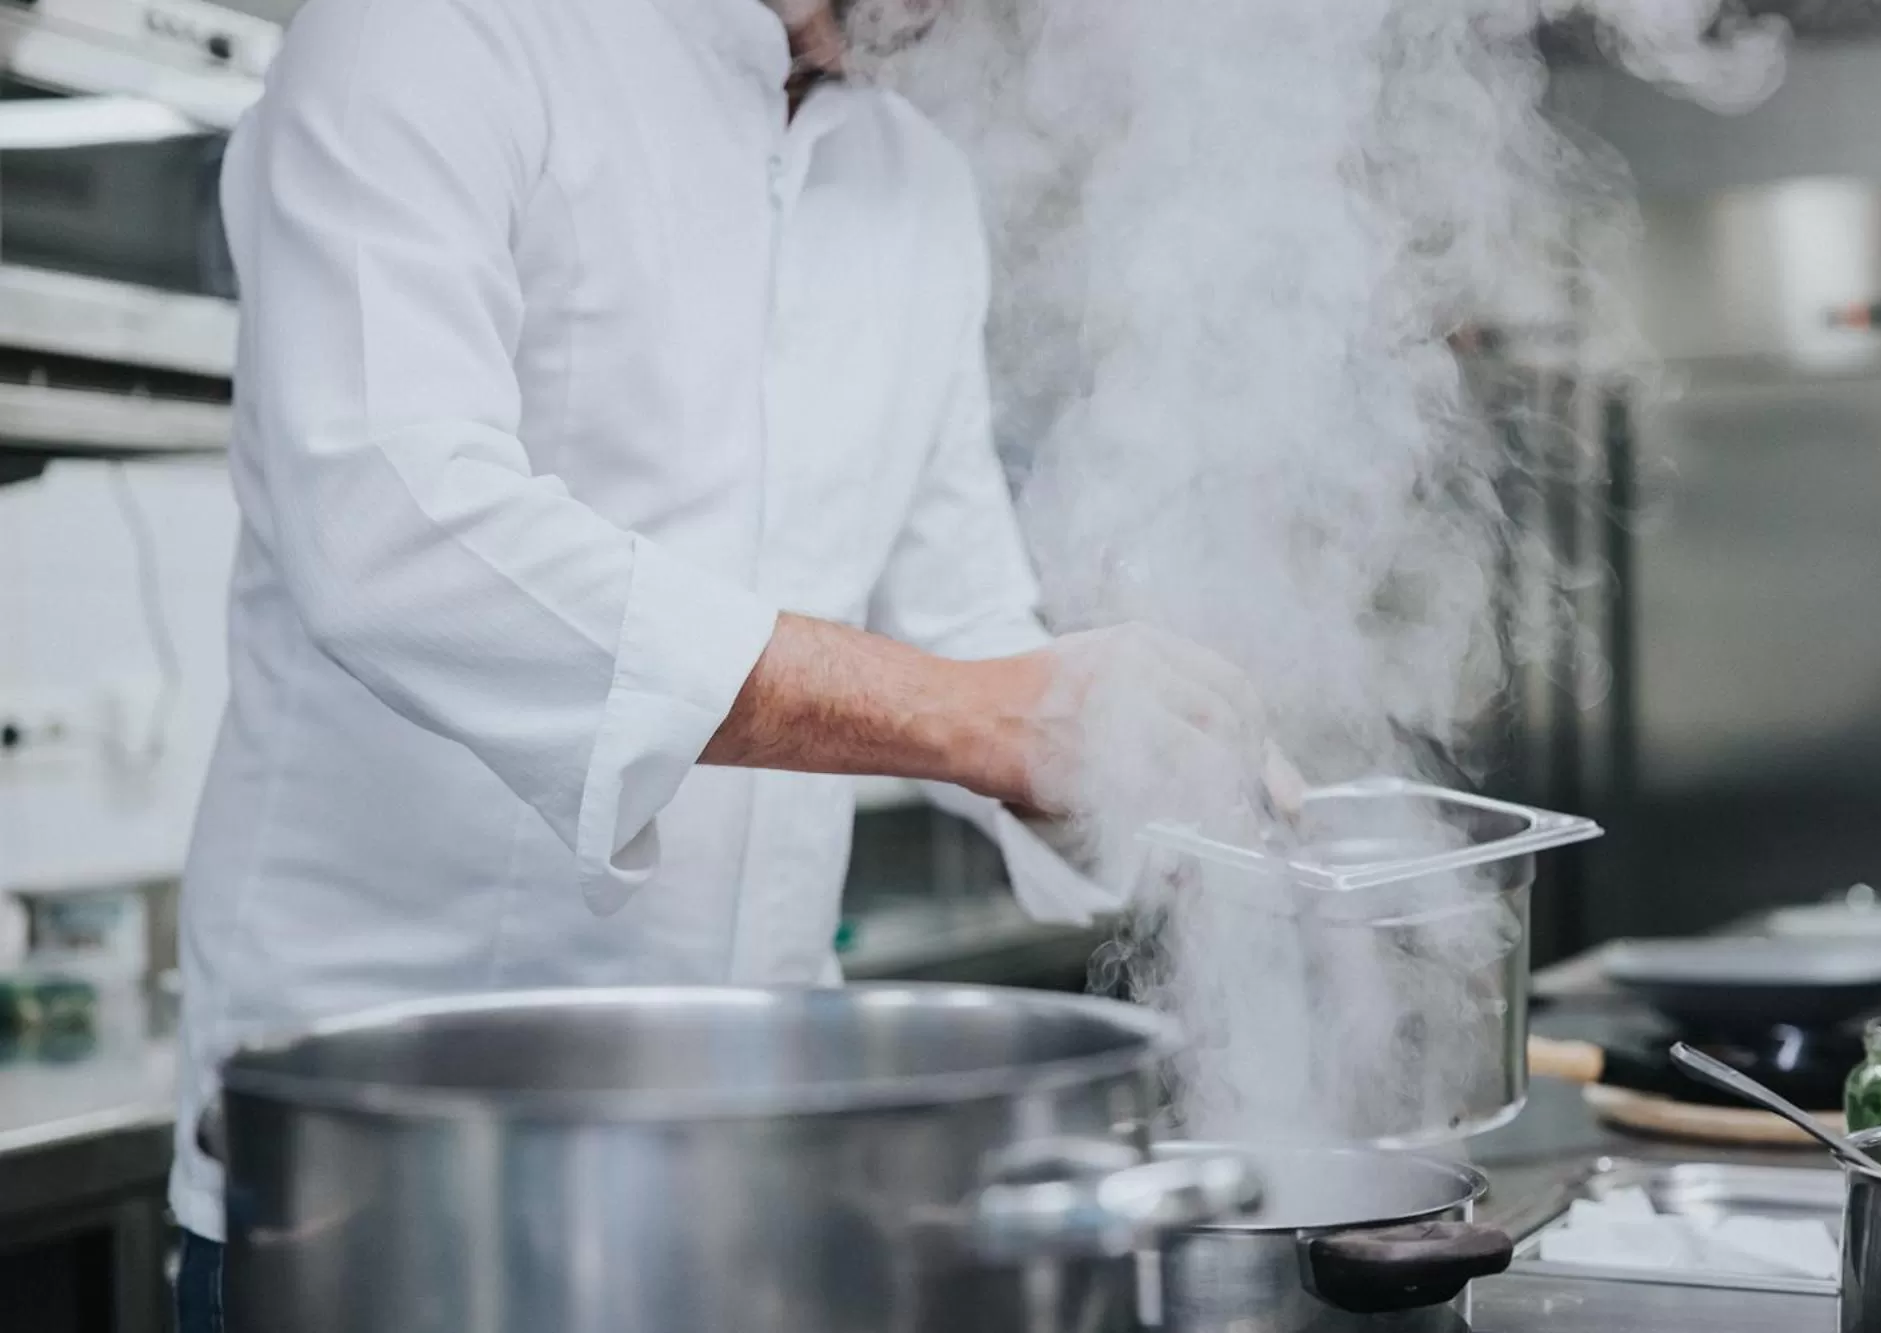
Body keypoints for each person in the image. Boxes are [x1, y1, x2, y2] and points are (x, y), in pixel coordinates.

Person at [170, 0, 1293, 1325]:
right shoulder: (433, 34)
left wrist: (1135, 753)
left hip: (769, 1179)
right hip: (392, 1175)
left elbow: (966, 638)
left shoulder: (914, 178)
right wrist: (966, 713)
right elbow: (395, 529)